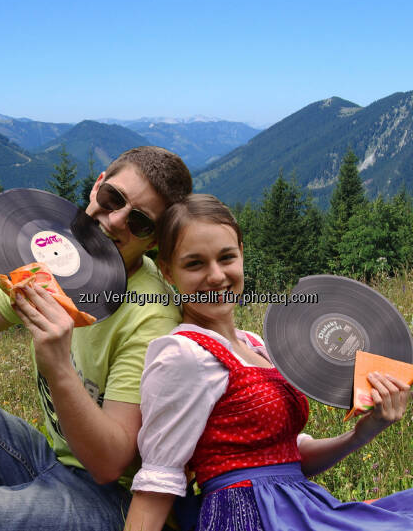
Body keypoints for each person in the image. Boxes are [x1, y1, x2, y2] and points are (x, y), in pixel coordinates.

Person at [125, 193, 413, 531]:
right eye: (195, 263)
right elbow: (158, 480)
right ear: (168, 272)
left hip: (296, 505)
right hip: (247, 517)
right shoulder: (182, 354)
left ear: (242, 255)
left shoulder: (257, 345)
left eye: (226, 257)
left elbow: (289, 457)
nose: (216, 276)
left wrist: (362, 434)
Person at [0, 146, 192, 531]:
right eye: (112, 198)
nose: (115, 220)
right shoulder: (55, 257)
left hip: (115, 499)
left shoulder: (151, 317)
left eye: (140, 222)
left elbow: (109, 465)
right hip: (53, 459)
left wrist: (56, 363)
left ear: (154, 240)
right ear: (97, 186)